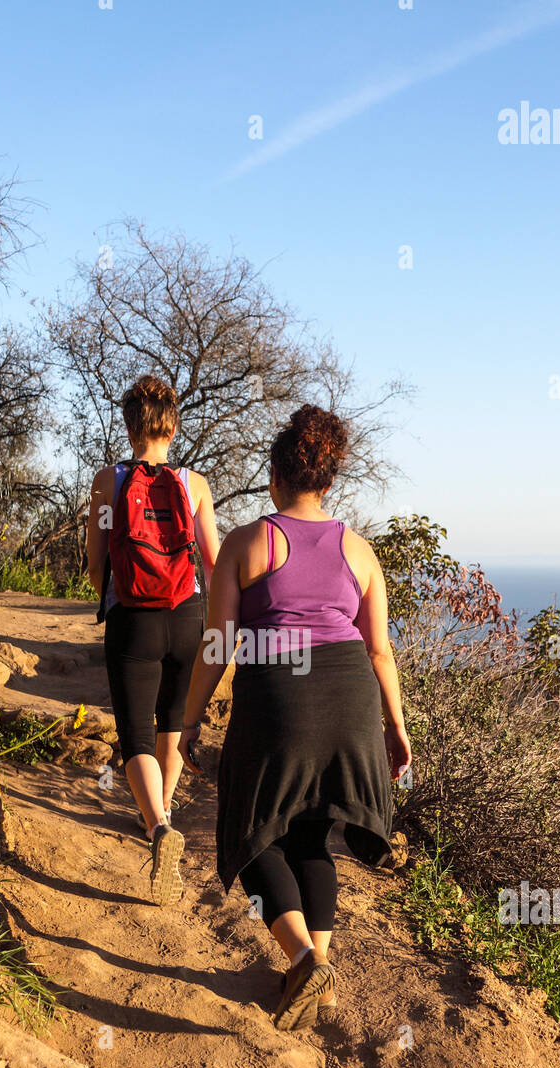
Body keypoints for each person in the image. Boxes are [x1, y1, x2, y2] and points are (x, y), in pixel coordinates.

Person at [178, 405, 411, 1029]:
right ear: (328, 482)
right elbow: (379, 650)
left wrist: (190, 720)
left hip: (281, 696)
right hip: (352, 697)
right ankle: (317, 978)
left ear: (274, 477)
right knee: (311, 836)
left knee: (251, 834)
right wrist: (395, 725)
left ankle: (305, 961)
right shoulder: (359, 551)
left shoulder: (250, 541)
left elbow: (218, 644)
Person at [87, 375, 220, 905]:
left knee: (134, 739)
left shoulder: (107, 481)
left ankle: (160, 829)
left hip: (133, 618)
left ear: (128, 424)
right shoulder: (197, 484)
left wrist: (112, 596)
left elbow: (96, 558)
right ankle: (161, 823)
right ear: (172, 425)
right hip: (187, 617)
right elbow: (212, 561)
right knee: (172, 726)